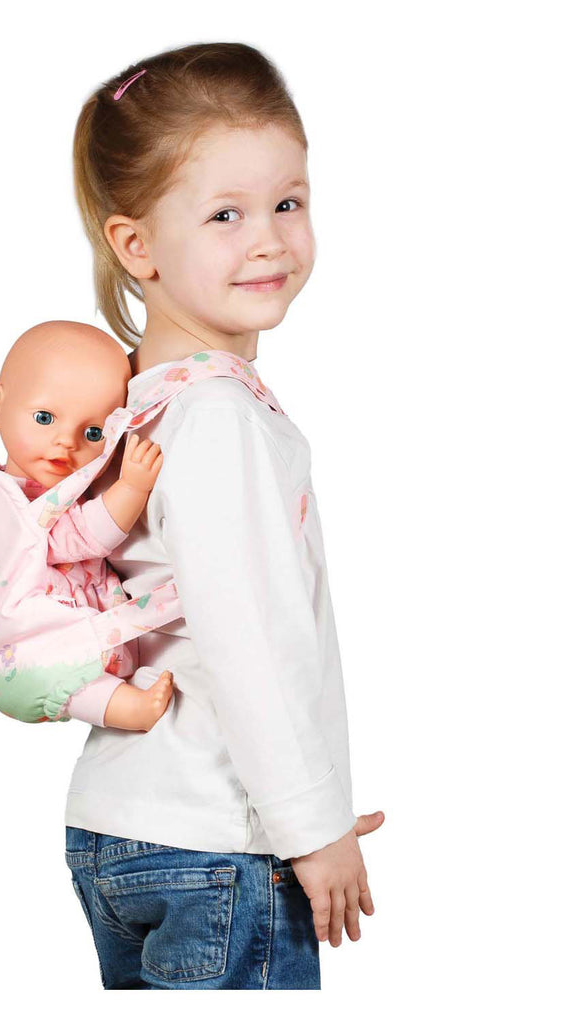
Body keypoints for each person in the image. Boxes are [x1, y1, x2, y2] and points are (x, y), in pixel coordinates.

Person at [64, 43, 386, 989]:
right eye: (224, 215)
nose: (270, 241)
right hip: (221, 844)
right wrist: (312, 825)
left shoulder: (139, 405)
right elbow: (250, 637)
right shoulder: (216, 418)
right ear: (136, 247)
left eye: (289, 202)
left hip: (127, 828)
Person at [0, 319, 176, 729]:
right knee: (73, 683)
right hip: (22, 658)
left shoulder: (43, 491)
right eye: (45, 417)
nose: (67, 440)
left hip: (45, 649)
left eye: (94, 432)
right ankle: (129, 712)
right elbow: (82, 535)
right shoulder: (6, 504)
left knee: (81, 679)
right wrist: (132, 488)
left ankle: (119, 701)